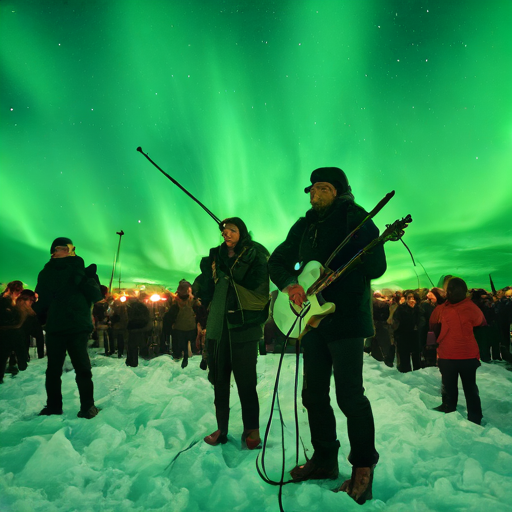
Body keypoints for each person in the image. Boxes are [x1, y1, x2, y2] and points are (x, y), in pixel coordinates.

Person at [268, 167, 387, 505]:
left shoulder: (356, 217)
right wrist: (292, 284)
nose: (313, 194)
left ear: (338, 191)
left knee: (350, 396)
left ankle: (363, 468)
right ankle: (324, 459)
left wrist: (359, 256)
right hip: (313, 321)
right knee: (313, 394)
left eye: (321, 188)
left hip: (347, 319)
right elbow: (277, 261)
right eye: (311, 189)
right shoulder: (305, 225)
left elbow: (377, 267)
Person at [194, 217, 270, 450]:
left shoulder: (254, 254)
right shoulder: (216, 256)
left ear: (242, 232)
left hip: (244, 326)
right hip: (219, 324)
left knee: (246, 382)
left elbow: (257, 282)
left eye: (232, 230)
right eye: (224, 230)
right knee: (220, 381)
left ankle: (252, 430)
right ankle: (222, 428)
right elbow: (206, 286)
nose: (226, 234)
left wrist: (235, 264)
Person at [33, 237, 103, 418]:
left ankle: (74, 406)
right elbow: (43, 300)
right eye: (58, 248)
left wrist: (85, 277)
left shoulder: (59, 271)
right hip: (65, 327)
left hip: (67, 327)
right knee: (64, 369)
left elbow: (96, 295)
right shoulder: (55, 271)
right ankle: (69, 406)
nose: (61, 251)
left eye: (64, 248)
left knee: (69, 369)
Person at [430, 277, 486, 425]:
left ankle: (473, 415)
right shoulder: (449, 308)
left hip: (462, 356)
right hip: (453, 355)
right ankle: (452, 408)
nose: (451, 292)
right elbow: (432, 327)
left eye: (453, 290)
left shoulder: (465, 308)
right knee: (453, 385)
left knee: (467, 387)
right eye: (450, 290)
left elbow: (432, 328)